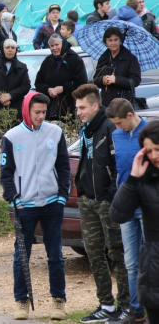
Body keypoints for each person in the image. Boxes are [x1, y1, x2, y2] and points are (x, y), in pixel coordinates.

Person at [0, 91, 70, 321]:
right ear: (26, 110)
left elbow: (63, 166)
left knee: (56, 255)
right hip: (25, 206)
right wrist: (15, 199)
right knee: (22, 255)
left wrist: (62, 196)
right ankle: (21, 301)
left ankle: (58, 301)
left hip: (52, 204)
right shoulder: (11, 137)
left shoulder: (56, 132)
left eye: (44, 112)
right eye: (37, 112)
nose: (41, 116)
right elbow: (6, 173)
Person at [72, 84, 130, 323]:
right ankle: (105, 305)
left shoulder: (110, 128)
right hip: (87, 201)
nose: (78, 112)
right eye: (77, 108)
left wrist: (110, 195)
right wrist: (83, 192)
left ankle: (126, 306)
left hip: (107, 202)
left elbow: (119, 165)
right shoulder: (86, 129)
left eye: (82, 107)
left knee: (117, 253)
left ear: (96, 106)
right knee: (95, 254)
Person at [110, 120, 159, 323]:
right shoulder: (142, 181)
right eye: (149, 151)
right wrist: (132, 180)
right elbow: (118, 215)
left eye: (157, 149)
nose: (154, 156)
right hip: (154, 271)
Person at [106, 98, 148, 324]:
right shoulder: (116, 135)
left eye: (120, 123)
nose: (117, 127)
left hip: (148, 205)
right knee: (131, 261)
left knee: (151, 259)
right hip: (126, 206)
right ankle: (136, 311)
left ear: (130, 115)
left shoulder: (149, 132)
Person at [34, 34, 87, 121]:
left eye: (57, 45)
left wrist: (63, 88)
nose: (54, 48)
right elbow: (38, 83)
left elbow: (81, 83)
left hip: (70, 108)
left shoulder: (75, 59)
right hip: (50, 108)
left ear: (63, 44)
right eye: (52, 46)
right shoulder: (48, 61)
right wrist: (48, 89)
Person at [0, 38, 30, 123]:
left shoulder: (22, 67)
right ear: (2, 49)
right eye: (7, 47)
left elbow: (25, 86)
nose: (10, 50)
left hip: (14, 109)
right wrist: (0, 96)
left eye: (12, 48)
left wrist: (10, 96)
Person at [93, 27, 141, 107]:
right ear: (106, 42)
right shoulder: (103, 58)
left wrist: (116, 80)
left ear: (120, 41)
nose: (113, 43)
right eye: (110, 40)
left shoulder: (130, 58)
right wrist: (103, 80)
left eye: (116, 40)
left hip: (123, 103)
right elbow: (96, 80)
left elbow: (135, 81)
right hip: (106, 103)